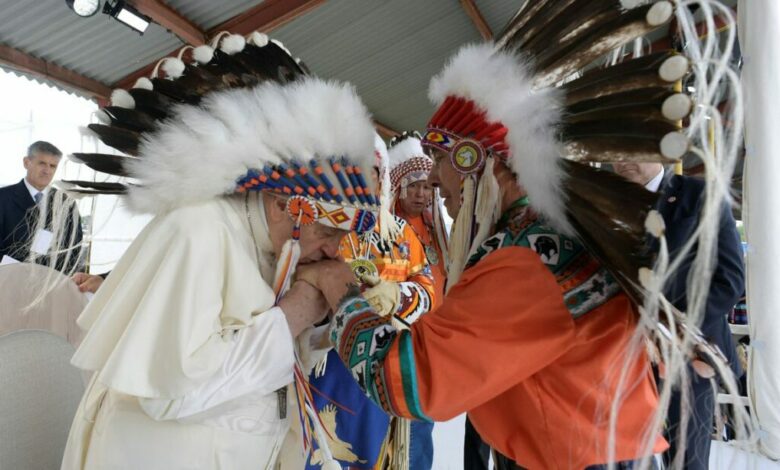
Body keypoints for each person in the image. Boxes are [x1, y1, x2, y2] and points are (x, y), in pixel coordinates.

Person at [297, 42, 672, 469]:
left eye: (440, 159)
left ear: (479, 160)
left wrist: (343, 290)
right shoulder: (542, 234)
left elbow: (412, 380)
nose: (435, 180)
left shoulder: (527, 257)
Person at [60, 32, 382, 470]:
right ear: (283, 203)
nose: (334, 251)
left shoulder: (270, 243)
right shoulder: (198, 231)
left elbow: (263, 347)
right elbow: (170, 394)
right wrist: (300, 307)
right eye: (328, 232)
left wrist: (325, 316)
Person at [296, 137, 436, 470]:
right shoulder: (317, 223)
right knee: (314, 450)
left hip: (379, 362)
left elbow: (427, 292)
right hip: (323, 363)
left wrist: (396, 297)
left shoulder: (402, 235)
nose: (365, 180)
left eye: (374, 172)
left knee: (369, 454)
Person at [614, 162, 745, 470]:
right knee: (620, 454)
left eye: (630, 150)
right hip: (623, 353)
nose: (620, 159)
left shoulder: (700, 196)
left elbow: (728, 280)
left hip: (688, 356)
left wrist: (669, 331)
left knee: (686, 458)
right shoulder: (609, 200)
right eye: (615, 152)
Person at [0, 141, 83, 272]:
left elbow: (74, 248)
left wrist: (58, 278)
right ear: (26, 162)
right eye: (42, 163)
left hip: (51, 283)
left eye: (53, 166)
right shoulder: (3, 198)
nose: (47, 171)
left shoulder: (67, 203)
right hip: (9, 280)